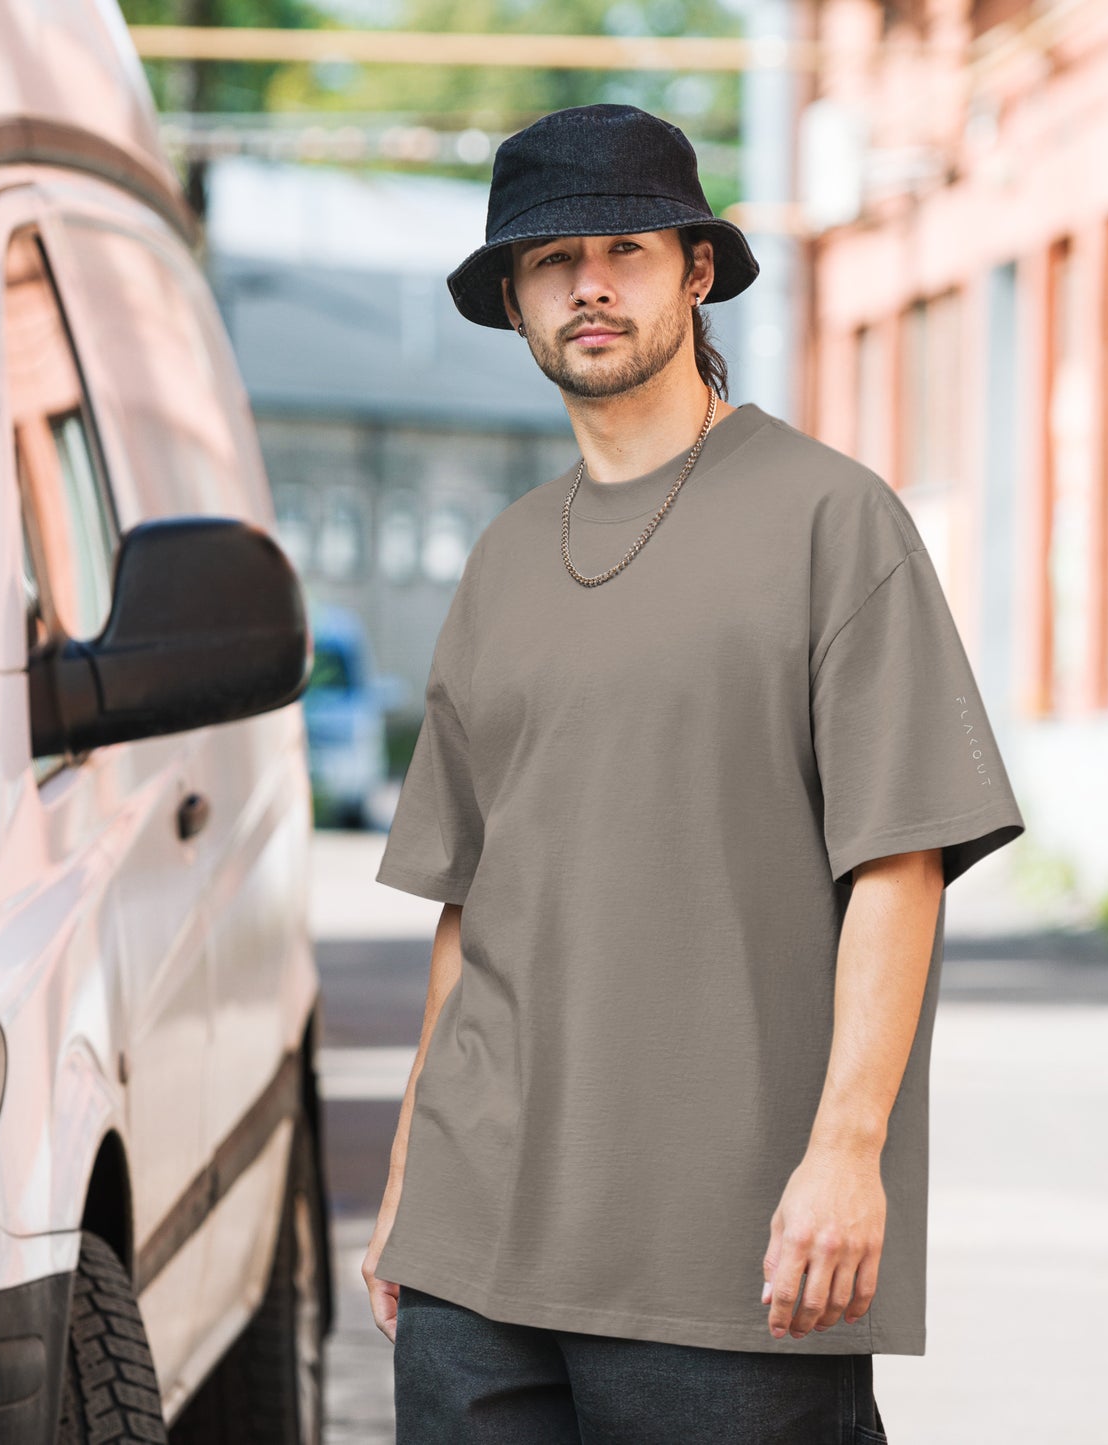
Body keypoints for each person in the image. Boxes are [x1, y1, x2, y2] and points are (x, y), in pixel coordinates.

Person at [362, 102, 1026, 1444]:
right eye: (550, 261)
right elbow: (468, 905)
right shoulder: (498, 561)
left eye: (624, 249)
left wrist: (846, 1152)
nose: (588, 284)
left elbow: (899, 864)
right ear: (513, 299)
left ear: (697, 270)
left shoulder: (832, 520)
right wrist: (406, 1177)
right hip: (472, 1254)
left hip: (728, 1259)